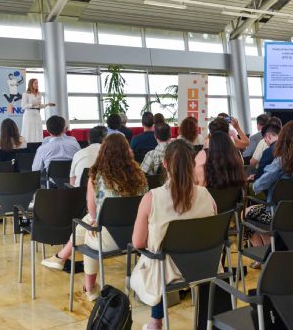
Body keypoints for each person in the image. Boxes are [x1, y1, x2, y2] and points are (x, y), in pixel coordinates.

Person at [41, 134, 147, 301]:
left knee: (90, 230)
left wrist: (96, 218)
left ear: (103, 151)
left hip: (108, 240)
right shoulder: (140, 175)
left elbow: (92, 210)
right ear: (127, 151)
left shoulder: (96, 176)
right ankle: (61, 258)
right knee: (90, 226)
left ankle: (89, 287)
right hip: (137, 236)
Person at [130, 140, 216, 330]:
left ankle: (156, 322)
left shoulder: (152, 198)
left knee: (155, 256)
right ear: (192, 164)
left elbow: (137, 242)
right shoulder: (206, 195)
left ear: (165, 164)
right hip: (204, 265)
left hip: (167, 272)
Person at [247, 122, 293, 247]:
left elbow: (258, 186)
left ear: (283, 140)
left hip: (277, 213)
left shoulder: (281, 161)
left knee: (246, 213)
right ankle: (270, 249)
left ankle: (267, 252)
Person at [21, 79, 55, 143]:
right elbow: (23, 106)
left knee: (37, 129)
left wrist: (47, 105)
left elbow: (39, 105)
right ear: (31, 84)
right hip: (29, 113)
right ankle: (28, 145)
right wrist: (32, 104)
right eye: (35, 83)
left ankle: (38, 144)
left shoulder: (39, 94)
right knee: (29, 129)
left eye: (37, 83)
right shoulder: (26, 94)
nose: (37, 85)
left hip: (36, 113)